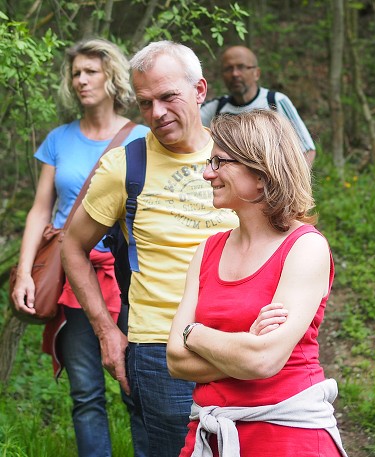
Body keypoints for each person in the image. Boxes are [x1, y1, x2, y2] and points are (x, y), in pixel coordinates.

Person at [60, 41, 239, 457]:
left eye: (168, 96)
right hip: (161, 351)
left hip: (239, 342)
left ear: (199, 90)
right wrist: (107, 332)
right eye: (145, 103)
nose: (157, 112)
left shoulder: (239, 157)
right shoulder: (125, 165)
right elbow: (73, 246)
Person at [167, 110, 348, 457]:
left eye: (220, 162)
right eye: (209, 161)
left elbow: (262, 361)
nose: (207, 173)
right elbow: (175, 361)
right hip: (211, 436)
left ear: (262, 173)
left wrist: (195, 334)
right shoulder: (207, 250)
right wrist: (244, 347)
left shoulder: (306, 247)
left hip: (287, 437)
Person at [11, 38, 150, 457]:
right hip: (73, 275)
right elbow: (41, 210)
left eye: (91, 71)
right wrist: (23, 273)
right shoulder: (58, 139)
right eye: (76, 73)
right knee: (86, 394)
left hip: (129, 276)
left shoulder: (143, 135)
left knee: (137, 389)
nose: (81, 80)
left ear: (112, 76)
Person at [200, 45, 317, 166]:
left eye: (241, 67)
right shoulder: (214, 109)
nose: (235, 74)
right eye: (228, 69)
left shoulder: (275, 102)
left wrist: (293, 183)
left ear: (257, 73)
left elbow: (306, 150)